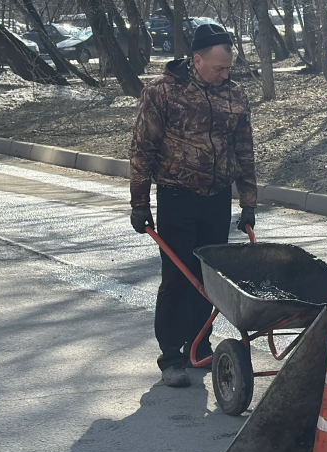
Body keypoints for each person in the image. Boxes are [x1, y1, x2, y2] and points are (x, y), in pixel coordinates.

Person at [129, 24, 257, 388]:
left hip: (217, 199)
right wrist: (139, 202)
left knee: (209, 280)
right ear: (196, 60)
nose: (225, 74)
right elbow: (142, 149)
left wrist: (247, 202)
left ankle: (198, 347)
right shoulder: (163, 93)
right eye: (218, 68)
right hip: (177, 198)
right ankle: (171, 357)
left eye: (228, 67)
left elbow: (244, 151)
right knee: (177, 277)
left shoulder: (234, 94)